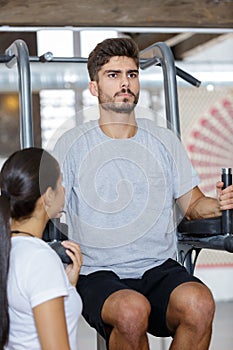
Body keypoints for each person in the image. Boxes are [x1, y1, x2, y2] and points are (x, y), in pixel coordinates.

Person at [53, 37, 233, 350]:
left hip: (157, 267)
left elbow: (193, 205)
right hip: (98, 273)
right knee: (132, 310)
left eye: (131, 74)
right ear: (94, 87)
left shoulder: (163, 140)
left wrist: (219, 204)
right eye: (113, 75)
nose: (125, 83)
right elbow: (49, 208)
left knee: (200, 303)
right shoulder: (72, 143)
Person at [0, 147, 83, 350]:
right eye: (60, 183)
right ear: (47, 196)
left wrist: (67, 286)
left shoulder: (10, 250)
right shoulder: (40, 260)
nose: (64, 189)